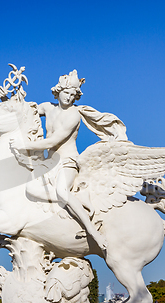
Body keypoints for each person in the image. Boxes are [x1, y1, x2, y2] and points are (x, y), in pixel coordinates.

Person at [10, 70, 108, 251]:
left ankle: (92, 231)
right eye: (66, 93)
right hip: (49, 162)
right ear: (58, 91)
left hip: (68, 161)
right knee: (30, 189)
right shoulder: (47, 107)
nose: (69, 97)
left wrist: (25, 145)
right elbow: (25, 113)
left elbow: (53, 141)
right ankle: (75, 201)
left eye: (73, 95)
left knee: (62, 192)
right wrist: (11, 97)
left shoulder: (73, 115)